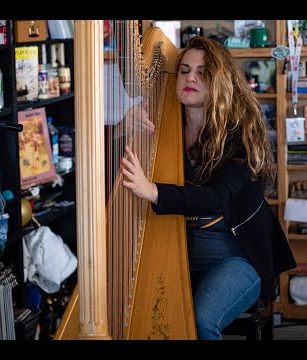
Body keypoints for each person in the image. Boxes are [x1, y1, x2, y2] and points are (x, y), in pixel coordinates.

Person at [120, 36, 296, 340]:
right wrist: (124, 127)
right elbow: (115, 167)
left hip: (235, 255)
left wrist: (153, 191)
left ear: (219, 80)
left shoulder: (241, 133)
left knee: (201, 321)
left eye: (202, 72)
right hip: (176, 249)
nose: (190, 77)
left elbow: (216, 198)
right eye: (185, 69)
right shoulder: (163, 124)